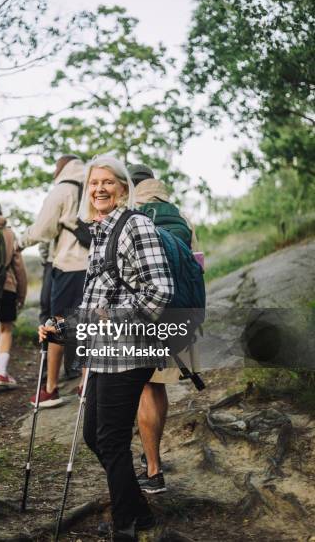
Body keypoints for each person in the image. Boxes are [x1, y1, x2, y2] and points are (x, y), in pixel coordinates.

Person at [40, 156, 174, 541]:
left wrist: (111, 320)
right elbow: (95, 301)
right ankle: (138, 513)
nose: (99, 189)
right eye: (94, 183)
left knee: (111, 439)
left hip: (129, 350)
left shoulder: (136, 226)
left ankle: (126, 527)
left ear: (123, 188)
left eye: (108, 182)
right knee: (95, 438)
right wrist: (61, 326)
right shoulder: (101, 231)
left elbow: (159, 292)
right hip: (104, 352)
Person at [128, 163, 200, 494]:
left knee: (145, 388)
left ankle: (153, 469)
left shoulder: (131, 215)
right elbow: (198, 268)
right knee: (159, 387)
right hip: (180, 314)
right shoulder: (182, 219)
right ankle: (151, 455)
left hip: (143, 316)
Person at [18, 155, 88, 407]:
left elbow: (42, 230)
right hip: (97, 267)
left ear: (60, 168)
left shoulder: (63, 189)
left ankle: (50, 389)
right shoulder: (94, 185)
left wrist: (19, 242)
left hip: (69, 265)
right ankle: (85, 385)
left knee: (57, 323)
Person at [0, 196, 27, 396]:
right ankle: (1, 374)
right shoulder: (9, 233)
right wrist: (22, 294)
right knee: (5, 329)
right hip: (7, 288)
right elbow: (19, 267)